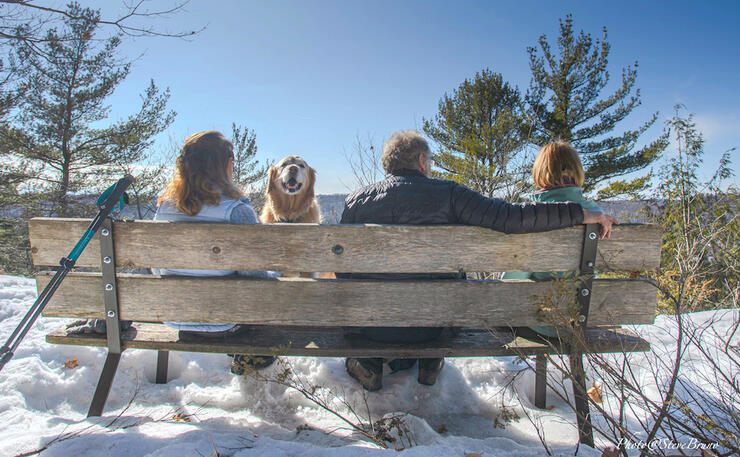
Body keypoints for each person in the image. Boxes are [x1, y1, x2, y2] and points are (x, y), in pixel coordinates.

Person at [341, 130, 617, 391]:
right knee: (447, 285)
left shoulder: (355, 202)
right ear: (422, 162)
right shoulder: (449, 194)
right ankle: (429, 360)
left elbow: (343, 273)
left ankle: (369, 362)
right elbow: (512, 218)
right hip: (434, 325)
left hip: (372, 325)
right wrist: (578, 213)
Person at [153, 130, 278, 373]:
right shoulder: (236, 211)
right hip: (227, 323)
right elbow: (255, 278)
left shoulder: (164, 208)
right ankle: (252, 364)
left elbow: (157, 267)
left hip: (177, 319)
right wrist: (276, 273)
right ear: (227, 165)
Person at [501, 141, 606, 340]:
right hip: (583, 320)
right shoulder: (597, 215)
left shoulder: (531, 216)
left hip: (541, 323)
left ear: (541, 172)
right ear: (576, 170)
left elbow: (512, 279)